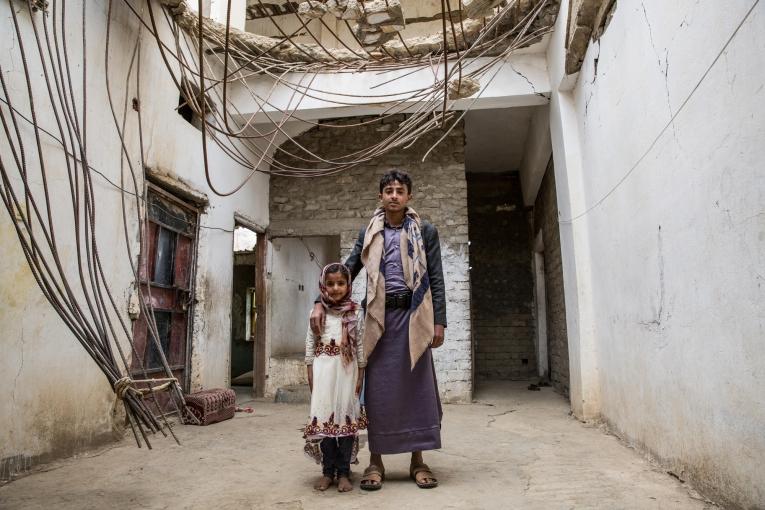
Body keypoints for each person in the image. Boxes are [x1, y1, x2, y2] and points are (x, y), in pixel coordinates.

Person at [310, 170, 446, 490]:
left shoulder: (426, 231)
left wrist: (439, 321)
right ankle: (376, 461)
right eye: (388, 190)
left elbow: (436, 278)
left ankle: (418, 459)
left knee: (417, 389)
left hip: (416, 318)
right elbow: (348, 269)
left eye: (400, 190)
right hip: (378, 321)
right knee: (378, 391)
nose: (394, 195)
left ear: (409, 196)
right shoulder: (370, 232)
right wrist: (320, 301)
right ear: (380, 196)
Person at [303, 263, 367, 493]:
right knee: (325, 422)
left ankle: (344, 472)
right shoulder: (317, 312)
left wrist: (361, 373)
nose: (336, 288)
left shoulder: (355, 311)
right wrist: (310, 370)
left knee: (346, 422)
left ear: (348, 284)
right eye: (330, 284)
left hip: (347, 372)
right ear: (323, 286)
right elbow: (310, 342)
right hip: (323, 372)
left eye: (341, 283)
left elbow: (359, 344)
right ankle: (327, 472)